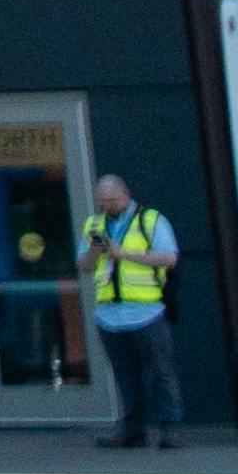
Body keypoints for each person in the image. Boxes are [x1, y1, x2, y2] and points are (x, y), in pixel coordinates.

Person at [81, 169, 185, 450]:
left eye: (112, 201)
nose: (107, 207)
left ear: (126, 195)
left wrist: (122, 253)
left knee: (161, 371)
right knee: (125, 374)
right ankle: (132, 429)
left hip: (146, 311)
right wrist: (95, 251)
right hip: (110, 315)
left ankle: (170, 428)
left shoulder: (151, 220)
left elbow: (169, 258)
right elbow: (85, 266)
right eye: (102, 202)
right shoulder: (94, 225)